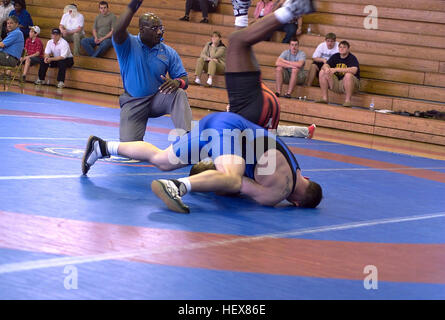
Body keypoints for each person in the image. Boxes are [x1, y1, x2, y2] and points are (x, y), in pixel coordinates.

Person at [81, 0, 322, 214]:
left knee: (163, 159)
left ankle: (102, 146)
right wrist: (207, 180)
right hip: (227, 125)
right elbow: (236, 186)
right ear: (297, 203)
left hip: (219, 124)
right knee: (231, 178)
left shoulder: (294, 165)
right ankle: (178, 186)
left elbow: (184, 79)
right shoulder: (278, 192)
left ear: (307, 178)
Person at [112, 0, 192, 142]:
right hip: (133, 102)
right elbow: (118, 30)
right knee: (129, 148)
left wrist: (177, 82)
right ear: (142, 29)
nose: (160, 32)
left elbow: (185, 79)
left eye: (161, 27)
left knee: (179, 94)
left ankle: (188, 141)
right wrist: (133, 6)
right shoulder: (128, 44)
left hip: (157, 100)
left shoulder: (168, 52)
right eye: (155, 28)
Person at [317, 40, 360, 107]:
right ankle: (324, 98)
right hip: (337, 83)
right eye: (340, 47)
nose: (341, 49)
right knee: (322, 72)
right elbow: (325, 65)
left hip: (351, 84)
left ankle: (348, 101)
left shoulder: (352, 58)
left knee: (348, 75)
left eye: (344, 47)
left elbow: (354, 70)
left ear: (348, 49)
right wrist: (327, 68)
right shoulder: (335, 56)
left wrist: (336, 69)